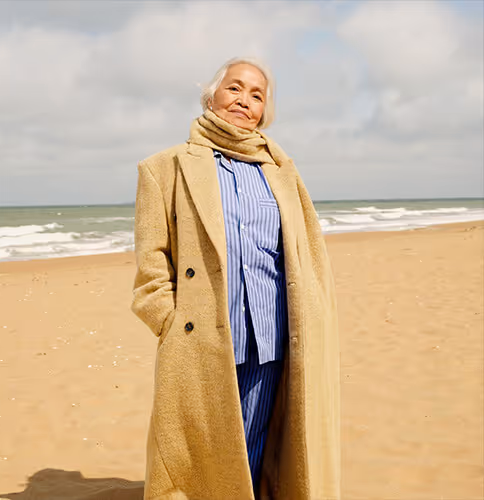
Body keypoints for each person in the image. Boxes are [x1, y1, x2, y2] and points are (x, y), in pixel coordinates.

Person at [131, 57, 341, 500]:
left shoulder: (281, 171)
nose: (244, 101)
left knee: (252, 447)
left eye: (257, 95)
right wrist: (169, 321)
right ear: (212, 95)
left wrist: (312, 318)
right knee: (198, 457)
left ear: (265, 111)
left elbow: (303, 252)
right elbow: (152, 262)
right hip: (200, 339)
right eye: (234, 88)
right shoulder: (164, 167)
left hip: (271, 336)